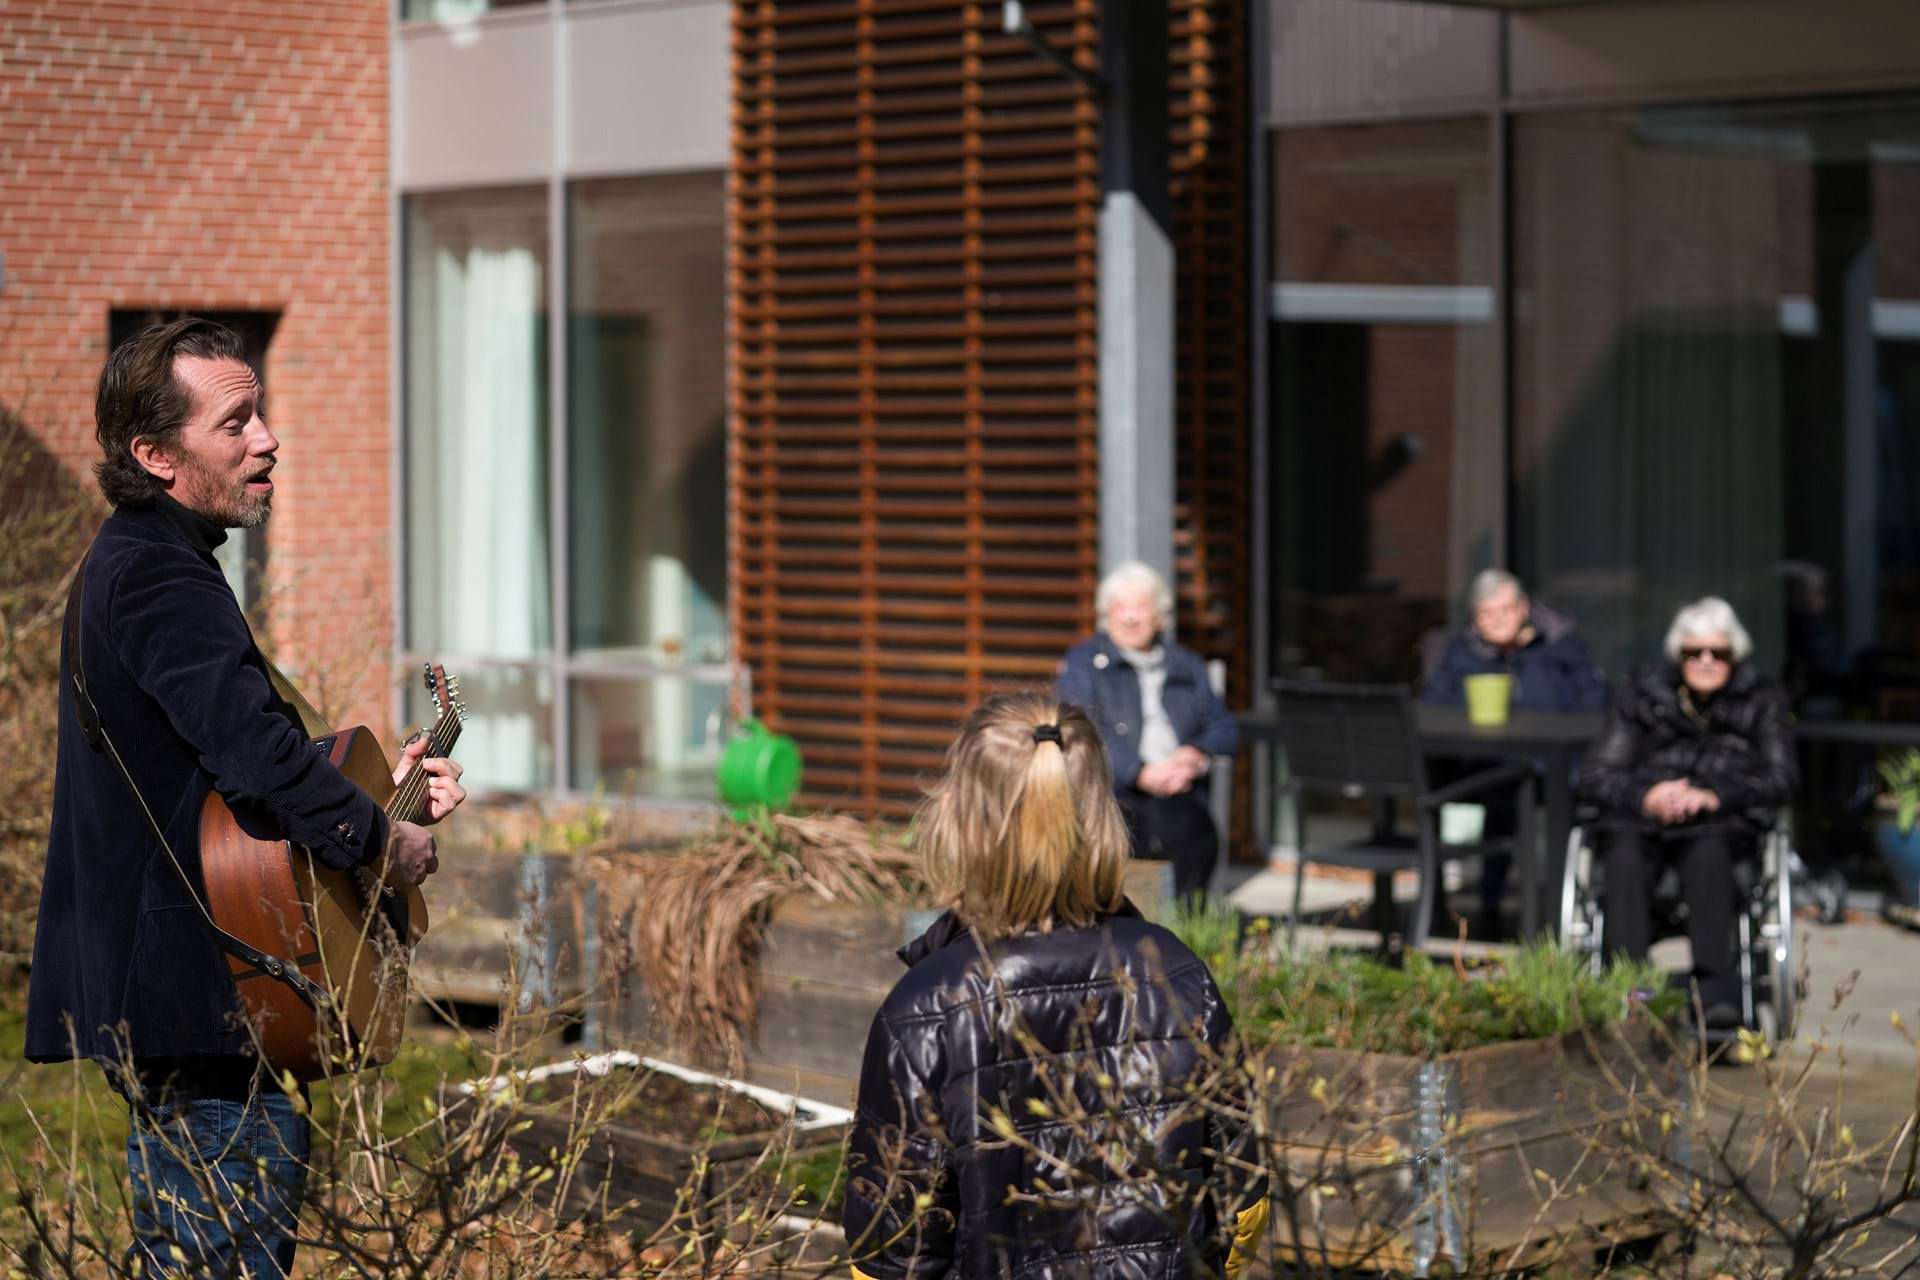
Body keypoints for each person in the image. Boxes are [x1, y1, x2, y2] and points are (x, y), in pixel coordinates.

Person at [24, 317, 467, 1277]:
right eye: (235, 423)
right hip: (201, 997)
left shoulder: (151, 560)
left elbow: (225, 764)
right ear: (156, 455)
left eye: (259, 414)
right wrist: (382, 842)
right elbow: (256, 760)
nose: (268, 439)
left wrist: (379, 799)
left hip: (204, 991)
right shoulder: (156, 573)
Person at [840, 692, 1267, 1279]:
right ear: (1102, 814)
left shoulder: (927, 1006)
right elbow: (1243, 1203)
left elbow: (891, 1253)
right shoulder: (1177, 973)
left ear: (962, 819)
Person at [1578, 597, 1797, 1028]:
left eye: (1718, 652)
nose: (1706, 661)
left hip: (1720, 824)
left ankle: (1713, 993)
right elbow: (1597, 773)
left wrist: (1715, 795)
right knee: (1622, 858)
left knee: (1709, 856)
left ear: (1735, 655)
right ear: (1678, 656)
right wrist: (1647, 795)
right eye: (1694, 652)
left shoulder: (1762, 699)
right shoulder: (1641, 695)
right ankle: (1633, 992)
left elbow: (1782, 776)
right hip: (1641, 822)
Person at [1422, 569, 1608, 937]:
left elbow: (1595, 702)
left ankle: (1556, 913)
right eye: (1486, 614)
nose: (1497, 620)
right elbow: (1433, 704)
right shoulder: (1461, 651)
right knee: (1493, 795)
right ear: (1475, 618)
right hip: (1485, 765)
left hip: (1555, 767)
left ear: (1523, 608)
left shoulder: (1560, 644)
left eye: (1505, 610)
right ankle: (1480, 907)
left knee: (1555, 799)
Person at [1056, 561, 1239, 901]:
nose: (1130, 617)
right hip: (1114, 790)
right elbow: (1081, 730)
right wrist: (1140, 772)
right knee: (1120, 840)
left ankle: (1183, 923)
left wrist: (1194, 753)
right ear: (1106, 614)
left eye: (1141, 606)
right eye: (1120, 607)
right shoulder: (1084, 663)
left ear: (1159, 616)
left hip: (1178, 789)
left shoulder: (1186, 664)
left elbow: (1224, 727)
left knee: (1195, 835)